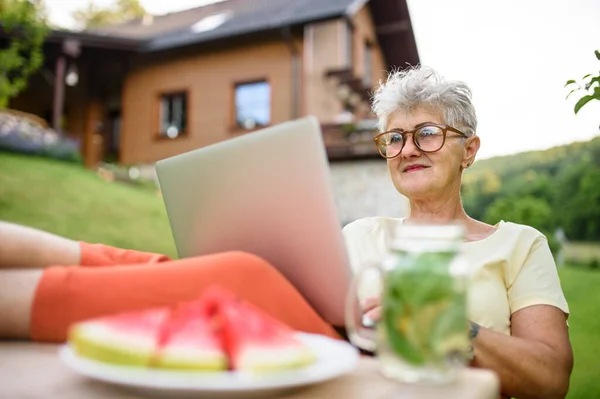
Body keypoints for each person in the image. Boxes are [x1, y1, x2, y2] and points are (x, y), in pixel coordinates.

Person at [342, 65, 573, 399]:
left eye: (428, 132)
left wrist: (451, 326)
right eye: (394, 138)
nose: (407, 150)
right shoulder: (359, 236)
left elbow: (550, 380)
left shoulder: (521, 245)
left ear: (469, 150)